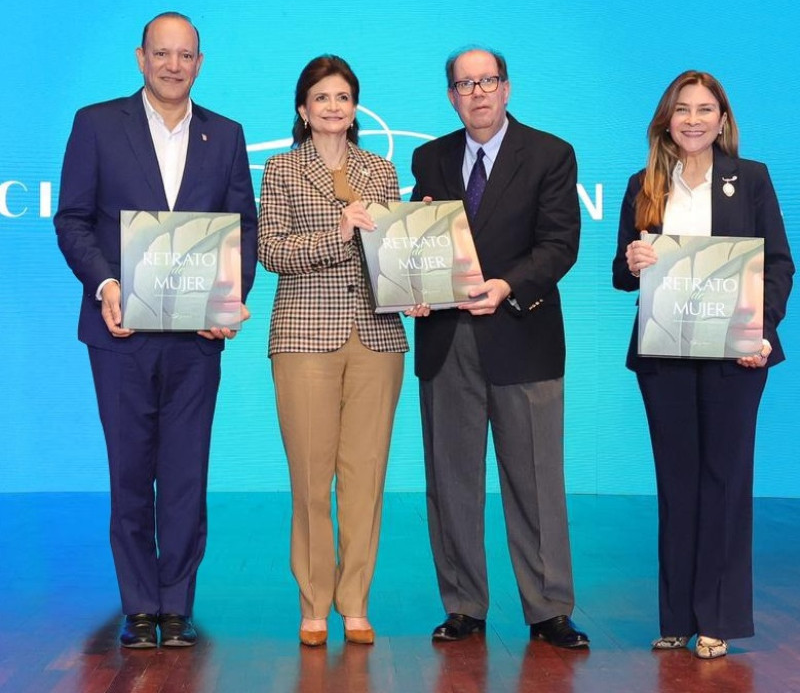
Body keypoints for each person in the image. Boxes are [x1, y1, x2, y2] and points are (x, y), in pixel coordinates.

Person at [54, 11, 258, 648]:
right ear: (141, 57)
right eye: (162, 53)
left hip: (197, 338)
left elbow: (243, 227)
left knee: (187, 473)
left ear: (200, 62)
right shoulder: (96, 124)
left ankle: (177, 605)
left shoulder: (226, 135)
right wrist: (106, 285)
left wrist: (228, 300)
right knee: (130, 471)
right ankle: (140, 606)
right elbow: (72, 220)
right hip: (121, 333)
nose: (174, 65)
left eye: (185, 55)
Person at [409, 48, 587, 648]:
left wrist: (508, 285)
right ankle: (463, 605)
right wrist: (413, 285)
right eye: (465, 84)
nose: (478, 92)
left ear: (507, 88)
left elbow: (560, 244)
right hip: (447, 341)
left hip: (523, 334)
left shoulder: (550, 154)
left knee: (536, 481)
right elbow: (420, 245)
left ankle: (549, 609)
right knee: (451, 481)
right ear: (451, 97)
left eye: (488, 81)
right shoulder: (430, 158)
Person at [612, 70, 794, 658]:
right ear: (667, 120)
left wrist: (761, 330)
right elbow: (621, 275)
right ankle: (676, 618)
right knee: (676, 483)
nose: (693, 119)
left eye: (705, 109)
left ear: (723, 120)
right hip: (665, 354)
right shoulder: (643, 184)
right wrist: (633, 261)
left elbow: (779, 264)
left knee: (725, 481)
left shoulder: (752, 178)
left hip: (735, 355)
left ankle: (717, 618)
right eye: (682, 109)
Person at [258, 55, 410, 646]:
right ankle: (315, 601)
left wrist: (416, 284)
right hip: (303, 337)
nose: (332, 106)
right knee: (310, 477)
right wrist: (337, 233)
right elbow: (271, 250)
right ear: (303, 109)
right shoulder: (281, 169)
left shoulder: (381, 169)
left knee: (365, 477)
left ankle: (355, 602)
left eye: (343, 97)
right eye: (321, 97)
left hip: (378, 336)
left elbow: (391, 254)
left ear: (355, 108)